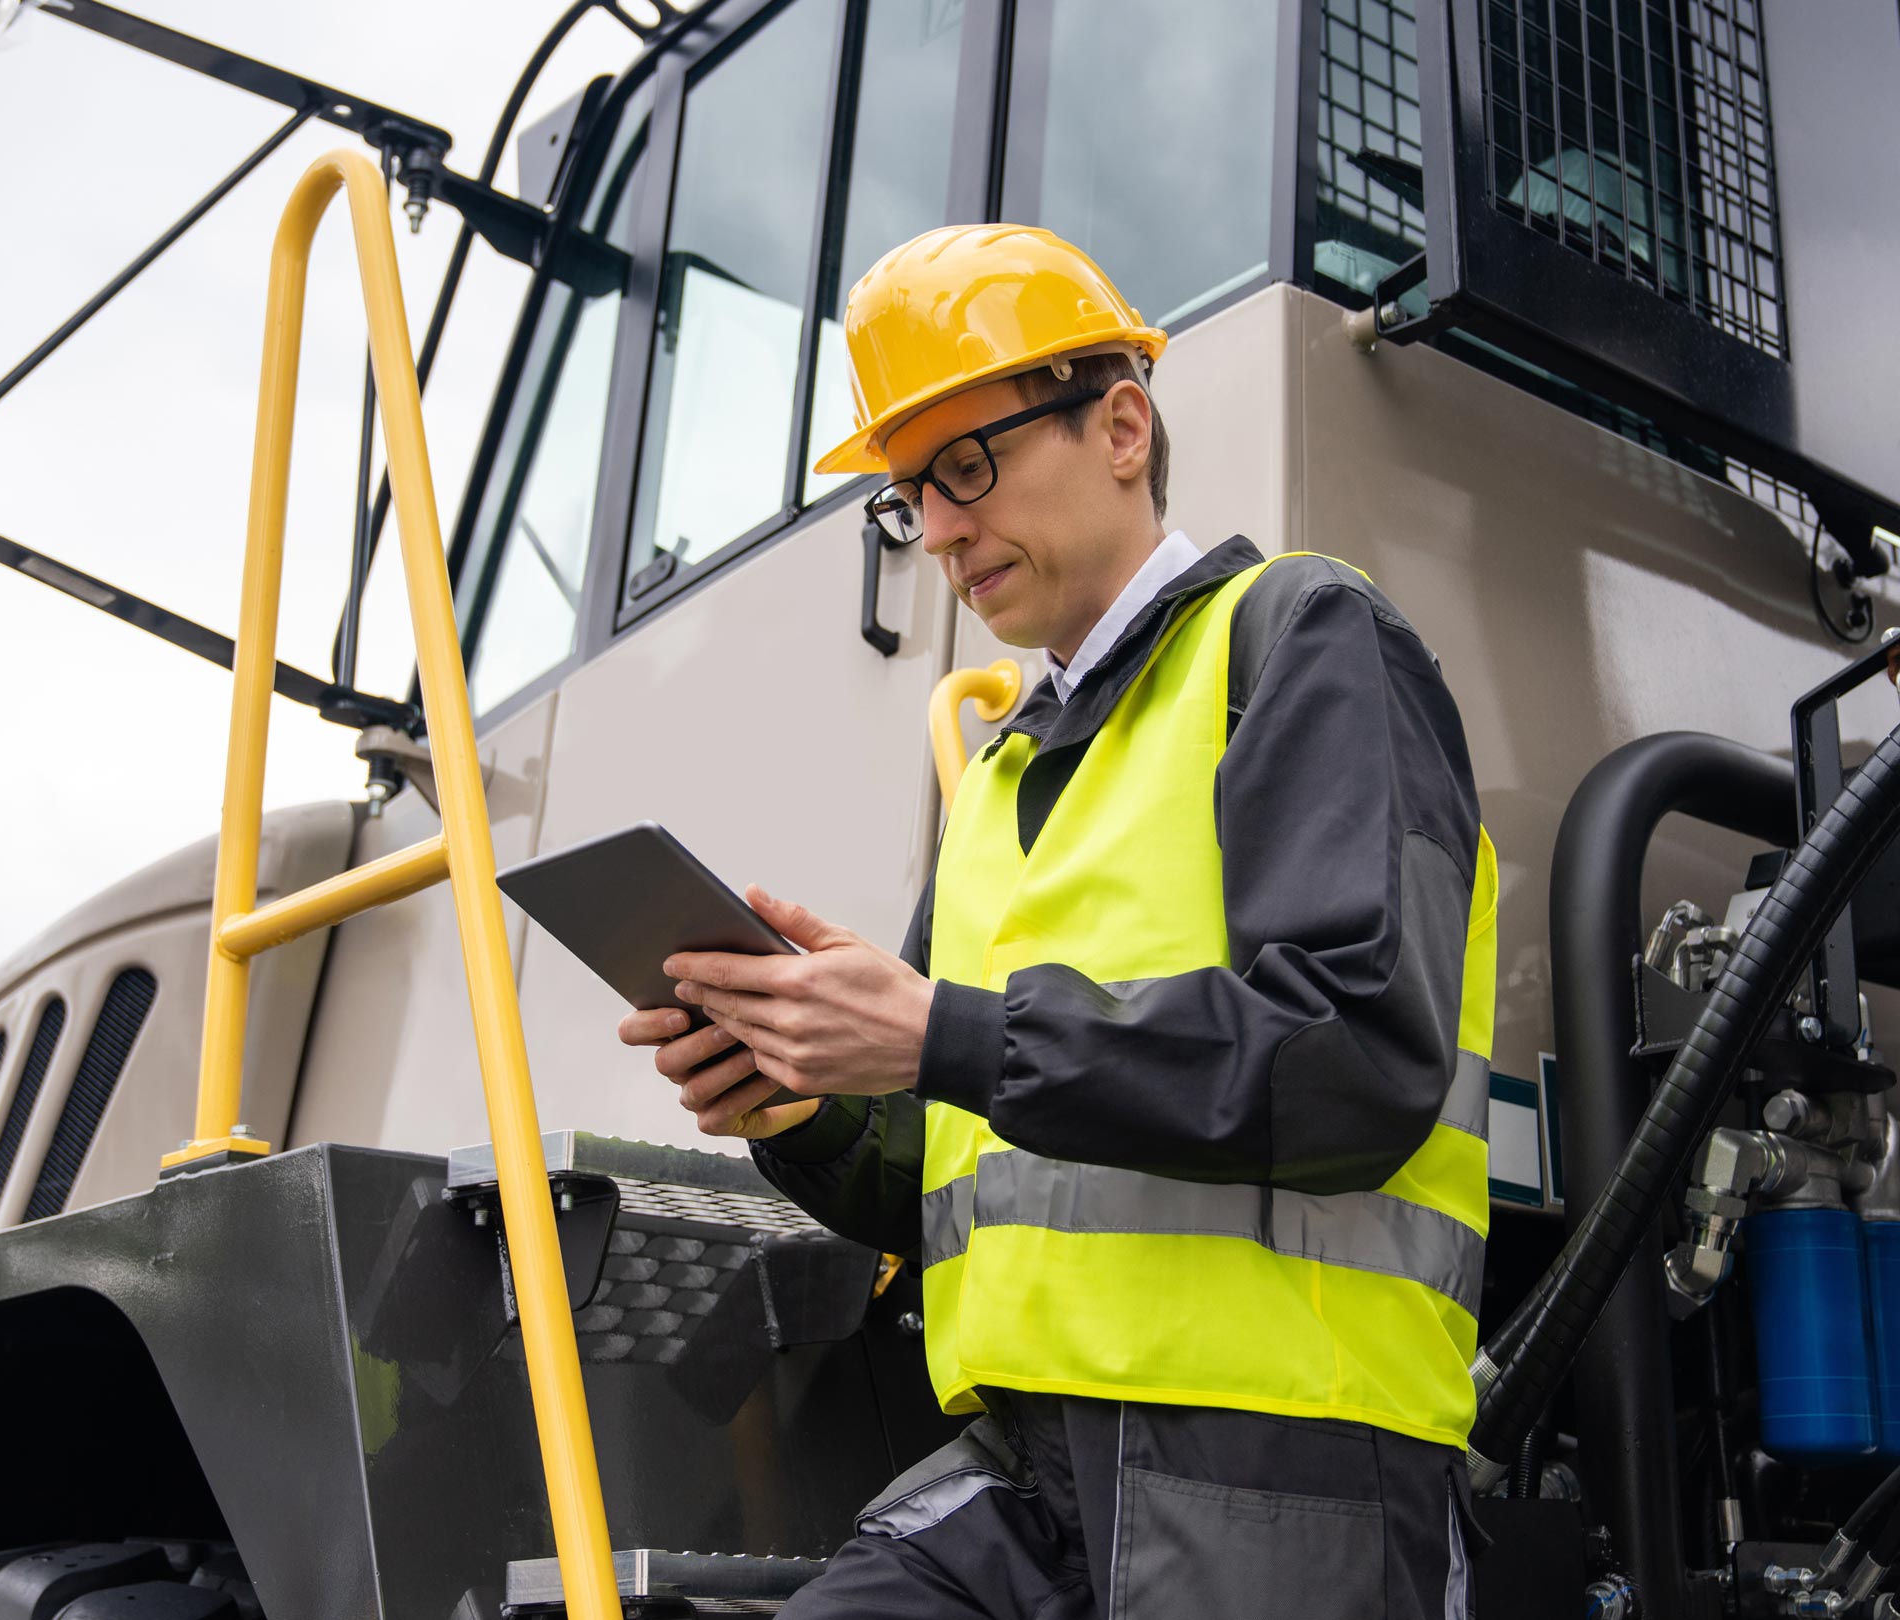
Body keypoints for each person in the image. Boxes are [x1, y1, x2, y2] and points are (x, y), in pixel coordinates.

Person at [617, 224, 1498, 1620]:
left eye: (967, 468)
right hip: (1029, 1466)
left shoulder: (1301, 640)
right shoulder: (1001, 779)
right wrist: (796, 1100)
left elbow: (1356, 1061)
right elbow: (958, 1171)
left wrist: (941, 1029)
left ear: (1124, 428)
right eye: (915, 496)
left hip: (1278, 1462)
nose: (945, 530)